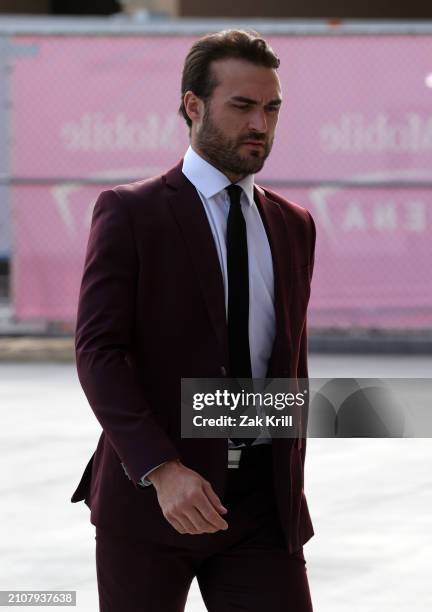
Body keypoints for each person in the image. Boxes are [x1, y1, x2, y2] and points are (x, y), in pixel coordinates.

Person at [71, 28, 316, 612]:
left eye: (271, 108)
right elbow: (99, 352)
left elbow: (283, 366)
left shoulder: (294, 224)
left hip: (260, 507)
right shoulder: (132, 212)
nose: (260, 123)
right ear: (193, 105)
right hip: (152, 501)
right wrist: (161, 468)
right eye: (243, 106)